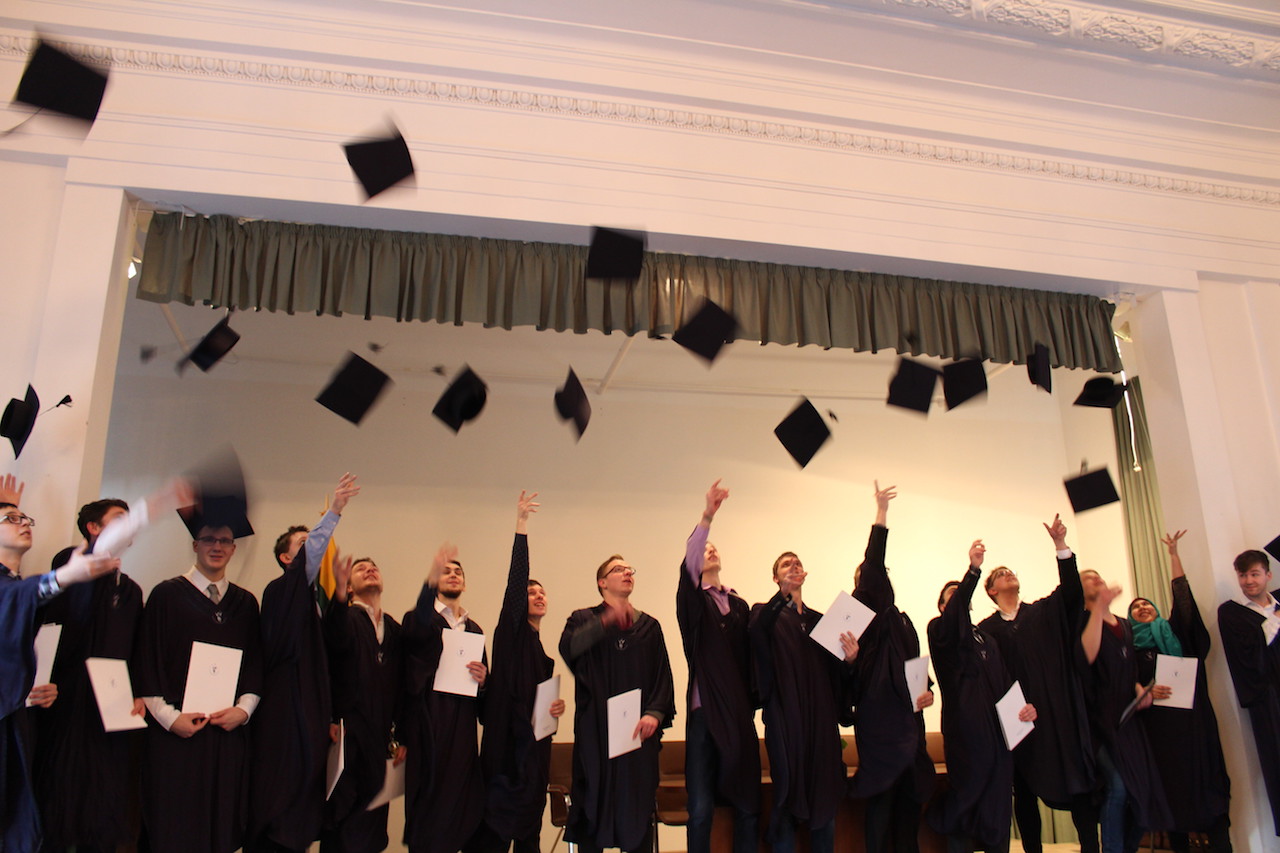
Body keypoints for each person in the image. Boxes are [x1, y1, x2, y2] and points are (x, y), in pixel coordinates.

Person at [0, 484, 122, 852]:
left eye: (25, 518)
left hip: (15, 717)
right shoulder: (14, 589)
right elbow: (14, 598)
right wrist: (63, 576)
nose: (24, 523)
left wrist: (36, 688)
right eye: (11, 519)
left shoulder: (17, 584)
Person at [133, 516, 265, 853]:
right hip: (175, 735)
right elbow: (147, 660)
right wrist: (169, 718)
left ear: (233, 549)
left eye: (224, 541)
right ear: (195, 545)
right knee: (173, 825)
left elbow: (254, 664)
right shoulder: (166, 595)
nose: (216, 547)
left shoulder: (245, 603)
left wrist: (244, 711)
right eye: (209, 539)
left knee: (221, 825)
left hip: (226, 734)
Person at [248, 472, 360, 853]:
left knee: (304, 810)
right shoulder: (279, 591)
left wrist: (341, 594)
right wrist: (334, 511)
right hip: (283, 711)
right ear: (286, 558)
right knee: (279, 807)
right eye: (304, 543)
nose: (315, 547)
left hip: (311, 713)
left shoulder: (314, 603)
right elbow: (306, 566)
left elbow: (336, 649)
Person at [977, 514, 1097, 853]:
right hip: (1018, 721)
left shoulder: (1043, 612)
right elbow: (990, 681)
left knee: (1076, 784)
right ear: (991, 591)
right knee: (1025, 791)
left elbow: (1071, 592)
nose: (1008, 574)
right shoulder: (986, 631)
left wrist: (1061, 545)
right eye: (1000, 575)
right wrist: (1016, 710)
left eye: (1010, 571)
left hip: (1055, 716)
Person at [33, 497, 144, 853]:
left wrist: (138, 692)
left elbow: (136, 648)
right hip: (67, 700)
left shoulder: (130, 590)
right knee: (62, 793)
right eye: (118, 519)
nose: (128, 525)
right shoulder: (69, 569)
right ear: (93, 528)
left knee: (105, 797)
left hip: (111, 706)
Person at [559, 552, 676, 853]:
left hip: (636, 736)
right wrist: (606, 621)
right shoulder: (583, 619)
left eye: (629, 569)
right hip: (596, 733)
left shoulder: (649, 627)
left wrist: (654, 713)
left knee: (636, 809)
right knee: (593, 803)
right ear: (602, 582)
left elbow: (662, 675)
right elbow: (569, 648)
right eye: (618, 569)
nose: (627, 573)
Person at [927, 539, 1037, 853]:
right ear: (943, 608)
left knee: (999, 800)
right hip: (967, 731)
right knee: (968, 797)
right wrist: (973, 571)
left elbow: (1005, 684)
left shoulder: (987, 638)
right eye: (951, 596)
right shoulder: (939, 631)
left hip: (998, 734)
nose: (958, 598)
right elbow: (954, 617)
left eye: (960, 594)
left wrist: (1024, 709)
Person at [749, 532, 856, 853]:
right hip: (786, 717)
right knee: (786, 793)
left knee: (825, 793)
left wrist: (850, 660)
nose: (794, 566)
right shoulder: (764, 614)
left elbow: (837, 676)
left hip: (821, 722)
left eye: (797, 563)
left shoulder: (821, 622)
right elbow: (756, 633)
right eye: (786, 564)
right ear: (775, 578)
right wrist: (782, 596)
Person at [474, 491, 567, 853]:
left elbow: (537, 710)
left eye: (543, 593)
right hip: (504, 759)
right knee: (494, 840)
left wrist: (553, 711)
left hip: (532, 764)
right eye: (532, 593)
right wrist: (522, 525)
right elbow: (516, 582)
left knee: (530, 839)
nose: (539, 596)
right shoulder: (511, 635)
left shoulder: (542, 654)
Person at [1127, 530, 1231, 852]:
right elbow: (1124, 683)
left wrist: (1174, 556)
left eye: (1146, 603)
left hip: (1194, 724)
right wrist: (1143, 690)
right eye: (1135, 607)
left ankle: (1222, 845)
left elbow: (1183, 601)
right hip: (1159, 732)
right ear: (1130, 619)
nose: (1142, 607)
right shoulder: (1129, 649)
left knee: (1208, 782)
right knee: (1170, 792)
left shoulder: (1174, 632)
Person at [847, 482, 936, 853]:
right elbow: (842, 675)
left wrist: (926, 692)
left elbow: (917, 669)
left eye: (883, 573)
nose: (880, 578)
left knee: (909, 804)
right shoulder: (853, 615)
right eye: (872, 575)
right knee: (882, 803)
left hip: (910, 722)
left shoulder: (902, 620)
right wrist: (881, 514)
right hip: (879, 723)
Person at [676, 481, 759, 853]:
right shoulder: (693, 602)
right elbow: (689, 563)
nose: (709, 550)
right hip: (704, 713)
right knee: (700, 808)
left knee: (748, 805)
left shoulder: (740, 606)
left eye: (713, 547)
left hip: (738, 714)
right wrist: (708, 516)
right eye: (704, 548)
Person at [401, 543, 488, 853]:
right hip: (430, 723)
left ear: (464, 583)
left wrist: (484, 681)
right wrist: (429, 577)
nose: (452, 575)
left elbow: (485, 702)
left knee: (461, 804)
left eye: (458, 572)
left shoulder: (474, 630)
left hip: (462, 728)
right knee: (429, 804)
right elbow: (416, 635)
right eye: (445, 572)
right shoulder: (419, 618)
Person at [1079, 567, 1172, 853]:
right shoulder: (1081, 620)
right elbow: (1086, 656)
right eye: (1087, 577)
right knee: (1118, 786)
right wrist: (1098, 609)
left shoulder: (1124, 625)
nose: (1096, 578)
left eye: (1098, 574)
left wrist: (1139, 690)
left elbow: (1128, 667)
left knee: (1144, 790)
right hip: (1098, 721)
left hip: (1128, 719)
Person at [321, 554, 405, 853]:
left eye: (374, 567)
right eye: (360, 569)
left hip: (380, 741)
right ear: (349, 587)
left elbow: (404, 686)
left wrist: (403, 735)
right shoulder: (345, 618)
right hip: (347, 736)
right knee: (343, 822)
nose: (370, 570)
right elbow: (332, 643)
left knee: (373, 825)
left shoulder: (394, 629)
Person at [1217, 548, 1280, 837]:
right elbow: (1248, 652)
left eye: (1255, 574)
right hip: (1269, 700)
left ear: (1268, 575)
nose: (1249, 581)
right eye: (1243, 575)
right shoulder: (1232, 612)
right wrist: (1275, 619)